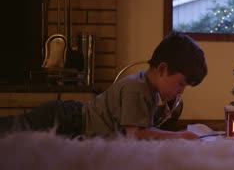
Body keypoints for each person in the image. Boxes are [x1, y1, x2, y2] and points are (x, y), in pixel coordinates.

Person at [0, 31, 207, 140]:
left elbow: (144, 127)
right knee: (11, 130)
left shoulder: (148, 89)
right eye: (181, 83)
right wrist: (178, 136)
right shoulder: (138, 90)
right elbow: (136, 135)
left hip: (72, 117)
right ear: (162, 69)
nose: (181, 90)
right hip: (66, 120)